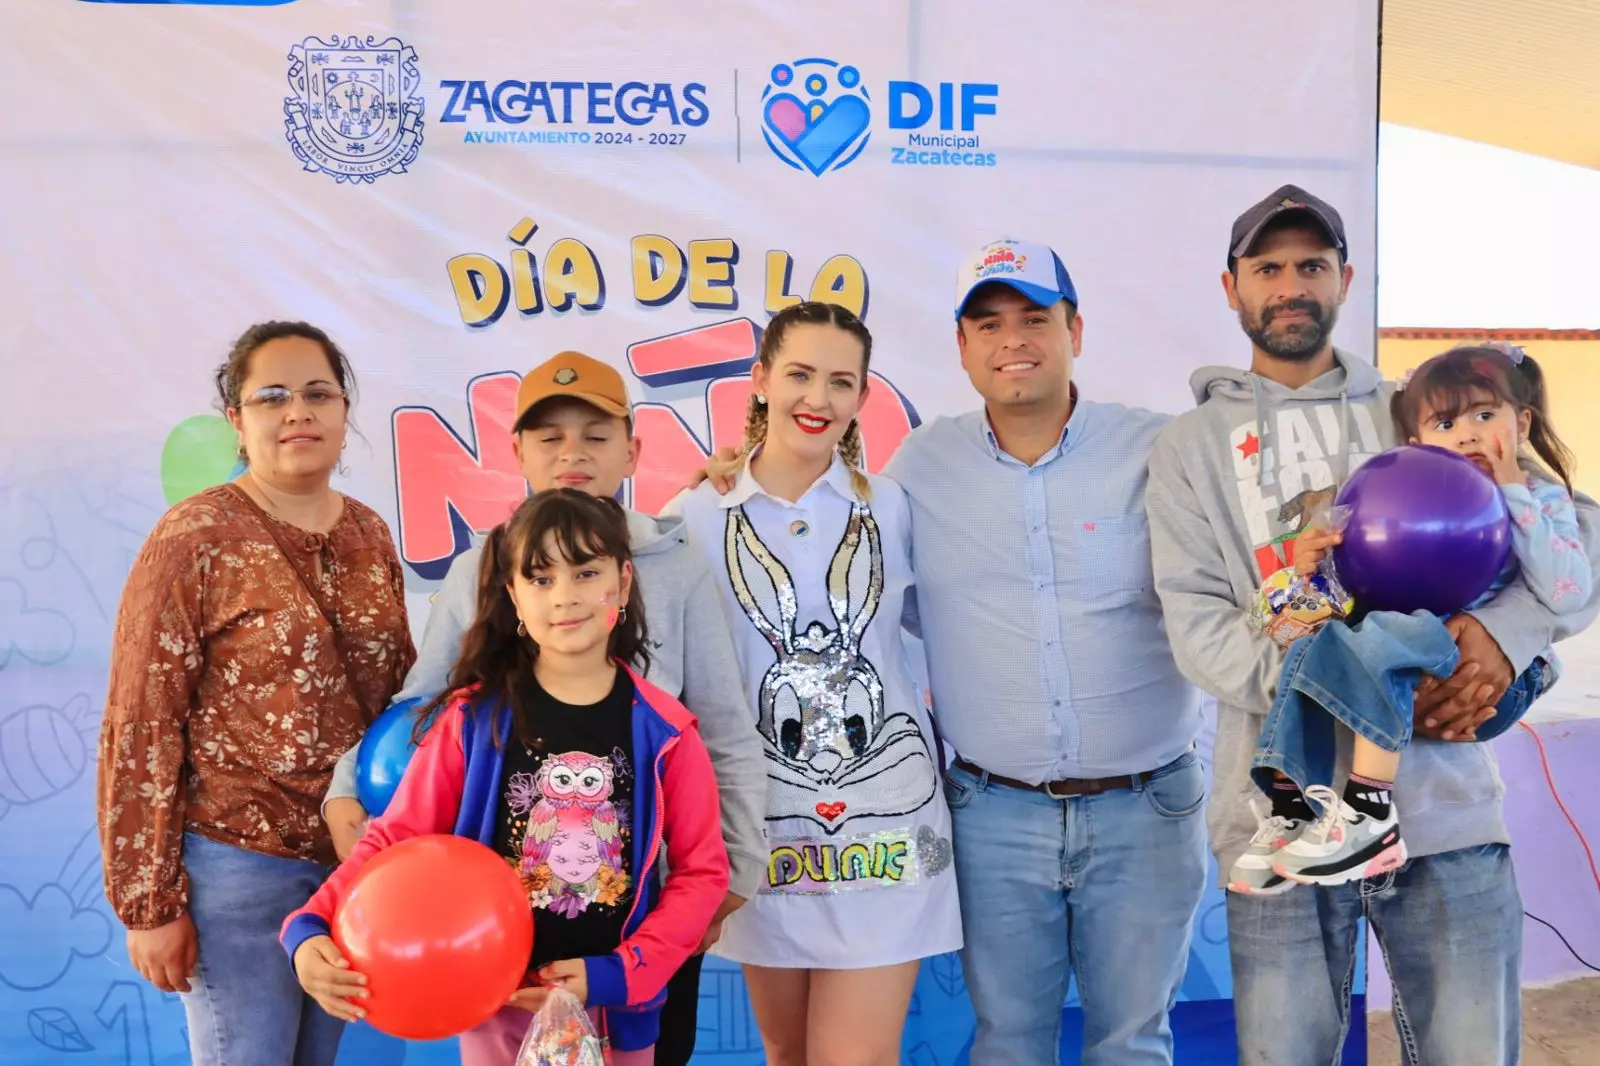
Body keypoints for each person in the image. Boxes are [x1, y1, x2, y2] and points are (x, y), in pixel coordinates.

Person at [696, 259, 1209, 1066]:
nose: (1013, 341)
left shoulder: (1155, 448)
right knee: (1003, 1044)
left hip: (1144, 805)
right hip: (983, 813)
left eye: (1034, 319)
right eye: (989, 324)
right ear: (963, 346)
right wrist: (729, 479)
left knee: (1132, 1045)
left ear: (1074, 332)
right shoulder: (916, 472)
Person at [1144, 184, 1600, 1064]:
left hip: (1445, 814)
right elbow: (1199, 628)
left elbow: (1565, 533)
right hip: (1280, 828)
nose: (1290, 286)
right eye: (1267, 268)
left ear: (1346, 280)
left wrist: (1502, 639)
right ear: (1231, 286)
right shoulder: (1187, 448)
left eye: (1311, 265)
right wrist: (1354, 688)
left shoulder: (1423, 409)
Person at [320, 352, 765, 1065]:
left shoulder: (676, 570)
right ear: (518, 451)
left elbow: (723, 728)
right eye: (550, 436)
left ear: (631, 450)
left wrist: (733, 873)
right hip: (502, 948)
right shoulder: (480, 575)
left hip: (637, 924)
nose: (572, 454)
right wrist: (347, 786)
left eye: (594, 435)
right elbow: (424, 705)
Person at [281, 489, 730, 1065]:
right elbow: (396, 837)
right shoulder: (472, 721)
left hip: (614, 1016)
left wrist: (622, 973)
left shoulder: (667, 731)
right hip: (496, 1007)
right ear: (514, 596)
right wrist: (311, 922)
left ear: (622, 583)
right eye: (541, 579)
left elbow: (702, 872)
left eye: (586, 573)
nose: (565, 596)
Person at [96, 321, 416, 1066]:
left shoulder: (369, 534)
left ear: (344, 411)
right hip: (235, 865)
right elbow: (141, 720)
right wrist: (148, 904)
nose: (297, 411)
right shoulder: (194, 536)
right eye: (272, 396)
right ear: (237, 420)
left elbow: (397, 700)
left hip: (351, 863)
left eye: (318, 393)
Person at [664, 301, 962, 1066]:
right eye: (799, 374)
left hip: (884, 835)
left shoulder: (891, 506)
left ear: (862, 396)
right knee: (787, 1052)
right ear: (760, 379)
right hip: (762, 834)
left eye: (840, 382)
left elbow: (950, 630)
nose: (817, 398)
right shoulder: (696, 514)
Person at [1243, 341, 1593, 889]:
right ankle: (1292, 808)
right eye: (1446, 423)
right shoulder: (1406, 495)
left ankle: (1370, 814)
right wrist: (1313, 568)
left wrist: (1512, 492)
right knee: (1315, 650)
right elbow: (1334, 603)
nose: (1468, 434)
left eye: (1485, 415)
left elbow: (1567, 593)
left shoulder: (1542, 497)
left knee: (1383, 635)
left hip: (1497, 683)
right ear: (1418, 444)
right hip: (1421, 655)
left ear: (1522, 423)